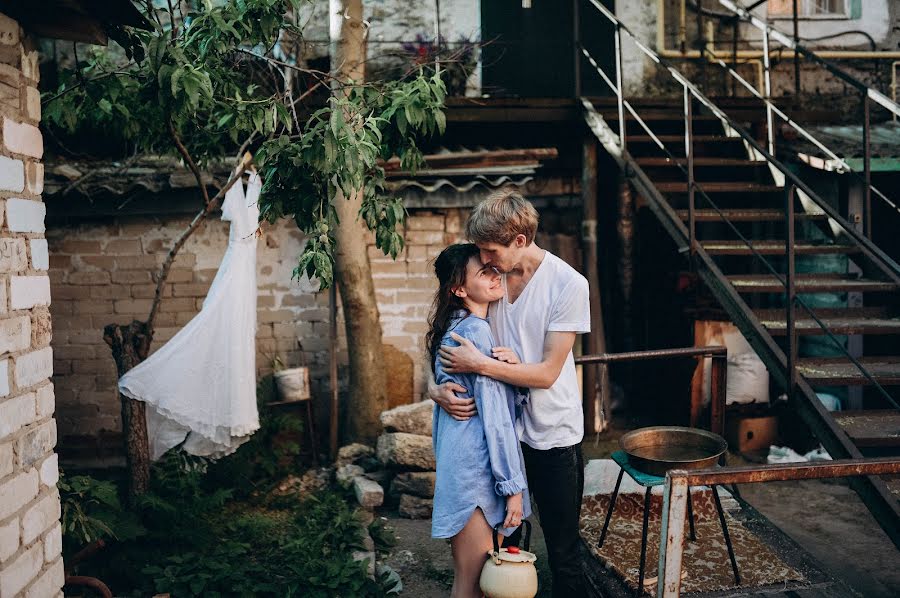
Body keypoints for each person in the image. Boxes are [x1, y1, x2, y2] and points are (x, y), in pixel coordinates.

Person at [430, 188, 590, 597]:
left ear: (519, 242)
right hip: (499, 437)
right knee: (509, 550)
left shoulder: (567, 284)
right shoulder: (490, 282)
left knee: (563, 550)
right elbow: (449, 338)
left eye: (490, 250)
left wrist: (479, 365)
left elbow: (549, 373)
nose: (485, 260)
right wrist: (436, 390)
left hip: (552, 432)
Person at [427, 242, 532, 598]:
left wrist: (511, 371)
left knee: (473, 584)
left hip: (462, 467)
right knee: (472, 587)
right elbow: (497, 422)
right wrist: (513, 487)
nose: (494, 275)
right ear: (458, 289)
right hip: (476, 474)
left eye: (492, 268)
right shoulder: (475, 334)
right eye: (483, 272)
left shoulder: (456, 329)